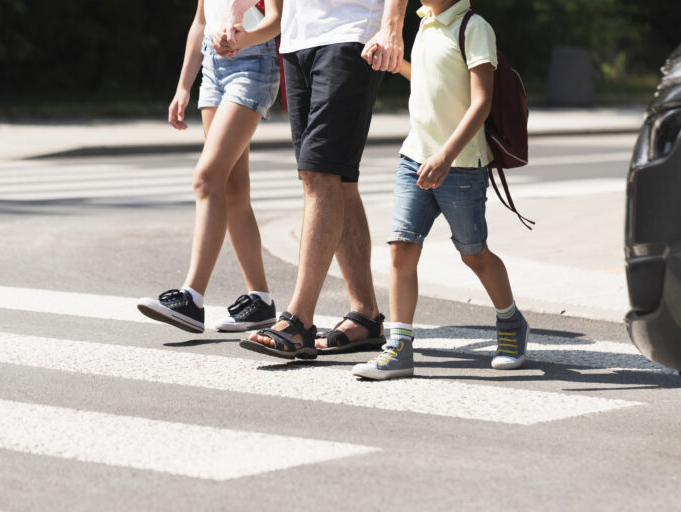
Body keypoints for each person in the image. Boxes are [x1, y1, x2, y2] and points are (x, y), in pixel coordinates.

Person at [219, 0, 407, 359]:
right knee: (337, 179)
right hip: (296, 40)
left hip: (352, 35)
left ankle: (299, 321)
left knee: (319, 174)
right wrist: (237, 13)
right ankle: (366, 316)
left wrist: (392, 26)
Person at [352, 0, 530, 379]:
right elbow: (429, 81)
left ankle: (511, 322)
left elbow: (481, 103)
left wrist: (446, 156)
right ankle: (399, 347)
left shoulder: (474, 27)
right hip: (414, 157)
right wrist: (390, 60)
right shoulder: (425, 23)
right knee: (401, 247)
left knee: (474, 253)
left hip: (460, 166)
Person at [137, 0, 283, 334]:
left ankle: (191, 297)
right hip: (213, 69)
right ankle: (260, 300)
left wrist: (243, 40)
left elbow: (276, 21)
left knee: (206, 178)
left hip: (252, 65)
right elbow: (200, 22)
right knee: (232, 189)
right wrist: (183, 86)